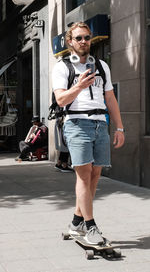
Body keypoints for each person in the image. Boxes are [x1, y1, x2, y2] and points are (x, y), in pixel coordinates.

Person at [52, 22, 125, 245]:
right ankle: (90, 226)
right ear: (70, 42)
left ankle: (76, 221)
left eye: (87, 37)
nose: (84, 41)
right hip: (77, 123)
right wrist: (79, 87)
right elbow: (61, 100)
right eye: (79, 38)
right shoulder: (62, 67)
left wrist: (119, 127)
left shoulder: (101, 65)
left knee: (95, 175)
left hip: (100, 124)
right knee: (83, 176)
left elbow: (110, 98)